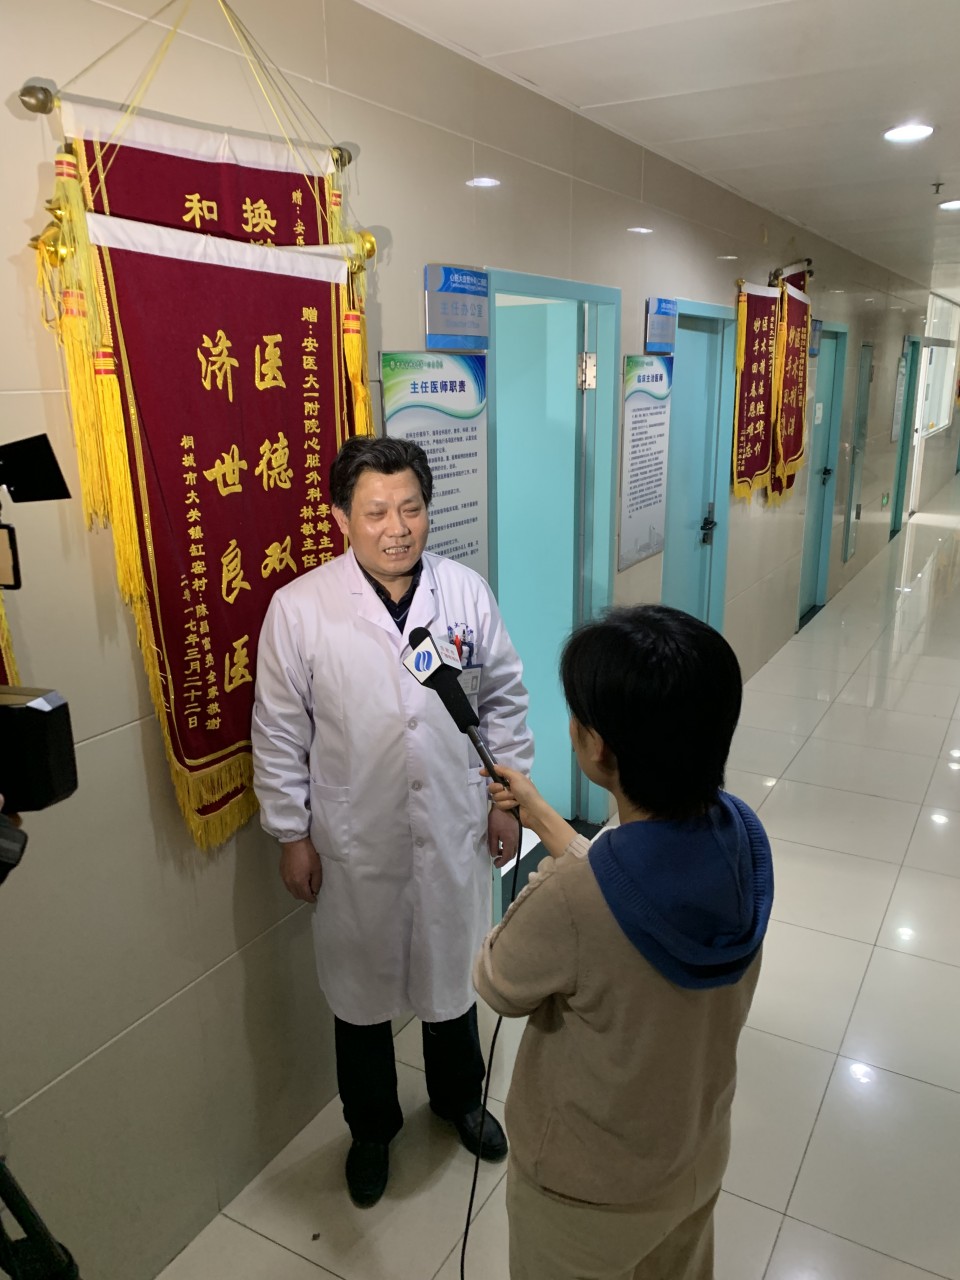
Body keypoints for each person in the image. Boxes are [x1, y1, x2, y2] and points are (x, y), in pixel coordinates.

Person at [251, 436, 533, 1209]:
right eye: (376, 512)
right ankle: (371, 1129)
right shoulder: (300, 609)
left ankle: (459, 1100)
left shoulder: (465, 593)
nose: (397, 528)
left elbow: (504, 700)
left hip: (453, 818)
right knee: (361, 992)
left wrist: (505, 801)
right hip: (354, 837)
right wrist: (292, 833)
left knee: (452, 972)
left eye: (411, 508)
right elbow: (278, 731)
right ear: (342, 517)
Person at [474, 605, 773, 1280]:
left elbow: (496, 981)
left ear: (597, 748)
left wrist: (550, 878)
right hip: (692, 1158)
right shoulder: (740, 837)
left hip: (587, 1195)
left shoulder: (571, 900)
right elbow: (633, 879)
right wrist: (543, 815)